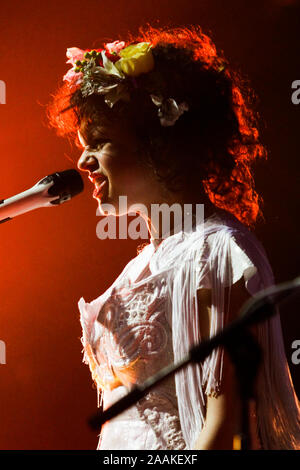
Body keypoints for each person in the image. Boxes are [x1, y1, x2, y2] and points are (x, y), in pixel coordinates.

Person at [47, 25, 300, 450]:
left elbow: (223, 429)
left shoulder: (216, 250)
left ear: (159, 143)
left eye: (100, 141)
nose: (82, 161)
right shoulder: (140, 266)